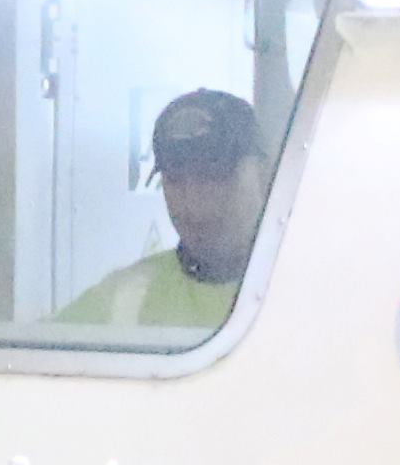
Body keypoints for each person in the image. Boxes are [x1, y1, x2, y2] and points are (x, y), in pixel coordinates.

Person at [54, 87, 272, 329]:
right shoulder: (124, 300)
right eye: (174, 180)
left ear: (264, 173)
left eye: (214, 176)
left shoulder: (308, 288)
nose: (193, 201)